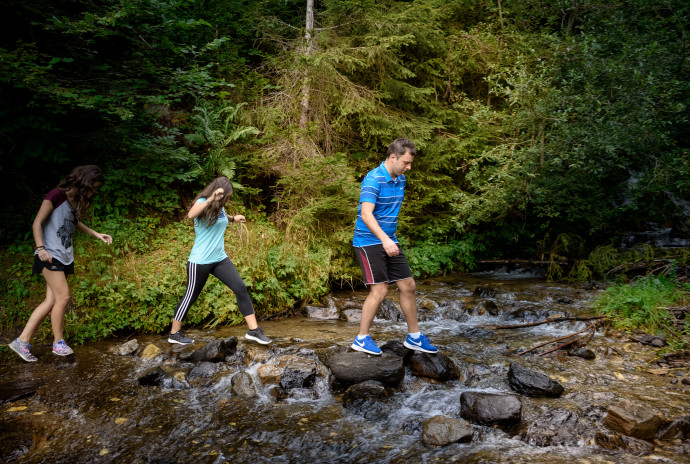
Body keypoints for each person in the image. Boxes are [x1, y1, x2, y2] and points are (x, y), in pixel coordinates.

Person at [8, 165, 112, 362]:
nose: (95, 192)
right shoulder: (56, 195)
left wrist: (96, 234)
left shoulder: (77, 201)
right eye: (94, 187)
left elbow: (73, 222)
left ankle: (21, 341)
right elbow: (37, 222)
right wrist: (41, 249)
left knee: (51, 301)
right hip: (49, 255)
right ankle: (58, 342)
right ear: (85, 183)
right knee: (63, 297)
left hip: (64, 255)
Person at [351, 138, 438, 356]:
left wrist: (390, 239)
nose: (408, 168)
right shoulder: (373, 179)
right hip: (368, 241)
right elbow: (366, 214)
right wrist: (385, 239)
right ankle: (361, 338)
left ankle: (414, 337)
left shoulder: (400, 179)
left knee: (408, 285)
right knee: (380, 290)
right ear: (393, 157)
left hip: (390, 239)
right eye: (406, 163)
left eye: (410, 164)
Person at [169, 176, 271, 346]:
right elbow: (191, 215)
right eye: (227, 196)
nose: (228, 199)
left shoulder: (220, 207)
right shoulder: (204, 201)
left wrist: (233, 219)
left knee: (240, 288)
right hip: (199, 261)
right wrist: (211, 198)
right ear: (218, 192)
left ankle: (253, 330)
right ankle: (174, 333)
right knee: (190, 296)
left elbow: (221, 218)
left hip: (219, 259)